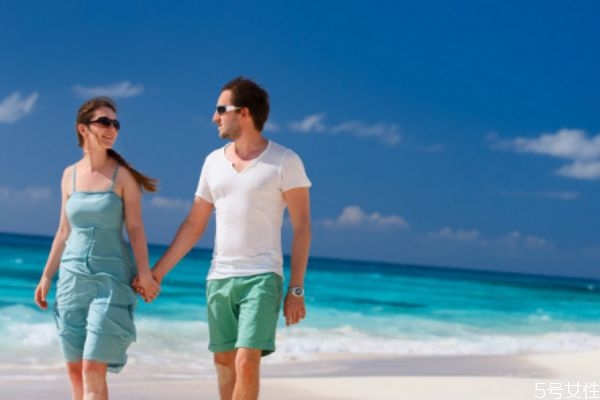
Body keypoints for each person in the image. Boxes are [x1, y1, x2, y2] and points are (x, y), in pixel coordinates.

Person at [147, 77, 311, 400]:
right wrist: (157, 273)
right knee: (224, 363)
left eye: (221, 109)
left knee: (246, 362)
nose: (214, 117)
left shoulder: (285, 161)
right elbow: (194, 223)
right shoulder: (212, 162)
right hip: (219, 278)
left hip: (262, 277)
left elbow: (302, 226)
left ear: (244, 113)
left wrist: (296, 288)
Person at [34, 96, 160, 400]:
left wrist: (145, 273)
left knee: (92, 368)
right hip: (71, 280)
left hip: (110, 280)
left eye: (115, 124)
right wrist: (47, 276)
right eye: (104, 122)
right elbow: (63, 231)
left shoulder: (123, 176)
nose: (112, 129)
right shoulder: (69, 175)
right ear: (83, 128)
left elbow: (136, 229)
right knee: (76, 374)